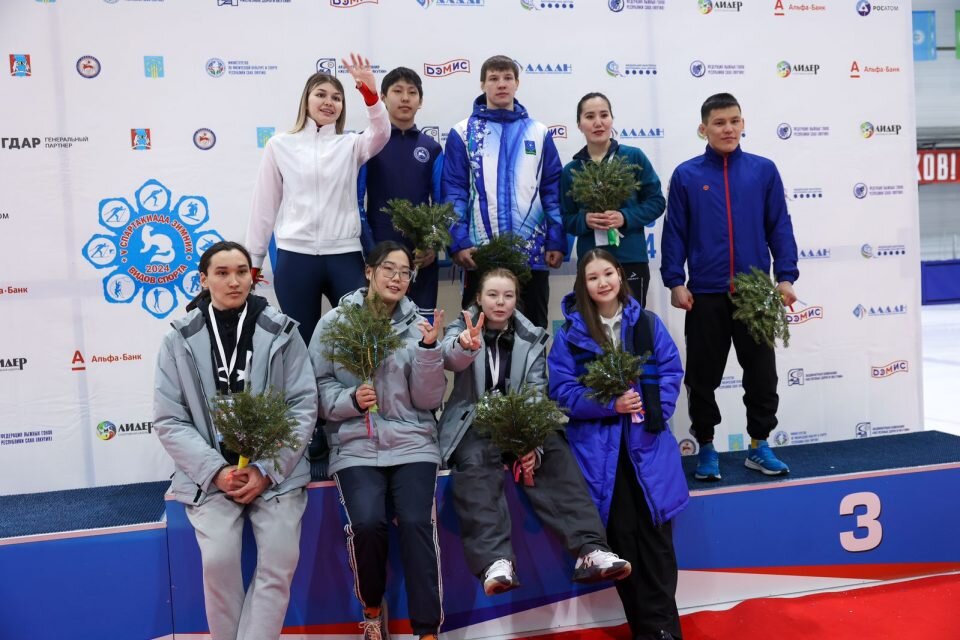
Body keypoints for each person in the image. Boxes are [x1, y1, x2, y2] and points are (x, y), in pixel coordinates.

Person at [153, 241, 318, 640]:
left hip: (275, 475)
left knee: (280, 560)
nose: (234, 280)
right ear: (203, 279)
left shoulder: (283, 331)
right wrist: (217, 471)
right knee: (219, 561)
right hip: (210, 478)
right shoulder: (178, 339)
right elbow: (169, 419)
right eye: (223, 273)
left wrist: (266, 469)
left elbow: (302, 406)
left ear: (252, 276)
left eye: (242, 271)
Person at [439, 267, 632, 596]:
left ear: (516, 299)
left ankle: (590, 550)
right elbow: (446, 357)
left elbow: (534, 393)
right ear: (478, 298)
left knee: (554, 450)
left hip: (519, 419)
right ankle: (495, 561)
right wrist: (464, 345)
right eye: (493, 295)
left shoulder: (532, 337)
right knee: (475, 461)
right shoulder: (462, 327)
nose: (501, 303)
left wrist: (529, 443)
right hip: (473, 421)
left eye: (508, 296)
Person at [308, 241, 446, 640]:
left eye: (405, 272)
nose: (397, 278)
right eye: (389, 269)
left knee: (418, 522)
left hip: (413, 441)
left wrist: (428, 349)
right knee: (368, 523)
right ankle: (371, 607)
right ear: (369, 271)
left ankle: (427, 630)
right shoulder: (334, 323)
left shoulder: (420, 324)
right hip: (355, 444)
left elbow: (429, 399)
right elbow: (316, 387)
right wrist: (350, 400)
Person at [548, 249, 688, 640]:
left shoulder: (647, 323)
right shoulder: (571, 335)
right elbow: (561, 392)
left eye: (608, 273)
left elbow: (670, 370)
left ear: (620, 275)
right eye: (593, 277)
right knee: (624, 545)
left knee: (659, 546)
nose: (603, 282)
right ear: (584, 285)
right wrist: (610, 404)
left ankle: (665, 631)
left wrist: (651, 408)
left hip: (649, 448)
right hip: (601, 456)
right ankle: (645, 630)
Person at [660, 92, 799, 481]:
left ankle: (759, 445)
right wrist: (675, 280)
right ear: (703, 128)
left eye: (735, 121)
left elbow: (779, 226)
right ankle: (706, 446)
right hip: (704, 292)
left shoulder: (763, 170)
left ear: (743, 124)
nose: (728, 128)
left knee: (761, 374)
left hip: (755, 293)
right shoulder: (687, 175)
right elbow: (675, 234)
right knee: (702, 377)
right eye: (719, 122)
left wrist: (785, 276)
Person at [246, 53, 391, 345]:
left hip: (345, 255)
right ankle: (308, 394)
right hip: (295, 257)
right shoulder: (280, 145)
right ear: (306, 100)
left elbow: (381, 133)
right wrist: (253, 259)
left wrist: (371, 96)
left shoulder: (351, 144)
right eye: (321, 94)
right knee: (301, 344)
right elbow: (265, 205)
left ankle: (353, 393)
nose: (329, 102)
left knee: (358, 341)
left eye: (337, 98)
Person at [441, 54, 565, 329]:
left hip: (531, 253)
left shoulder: (539, 132)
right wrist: (458, 241)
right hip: (481, 252)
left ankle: (530, 376)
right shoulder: (463, 133)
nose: (501, 84)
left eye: (507, 77)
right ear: (483, 84)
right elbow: (454, 193)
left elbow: (552, 190)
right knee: (476, 335)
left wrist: (556, 239)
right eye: (494, 78)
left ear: (517, 83)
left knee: (533, 332)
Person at [561, 92, 666, 307]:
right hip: (590, 262)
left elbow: (656, 202)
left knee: (633, 328)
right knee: (591, 330)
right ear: (579, 124)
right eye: (590, 117)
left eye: (604, 115)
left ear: (612, 119)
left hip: (630, 259)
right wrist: (585, 221)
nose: (598, 123)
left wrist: (625, 217)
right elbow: (565, 218)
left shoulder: (634, 157)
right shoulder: (571, 171)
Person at [359, 66, 444, 321]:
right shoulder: (370, 143)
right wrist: (371, 250)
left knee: (421, 331)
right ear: (383, 97)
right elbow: (356, 202)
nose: (405, 98)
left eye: (412, 92)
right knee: (377, 329)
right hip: (379, 251)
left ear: (420, 101)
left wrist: (431, 244)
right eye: (397, 91)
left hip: (421, 259)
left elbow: (442, 203)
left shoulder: (431, 148)